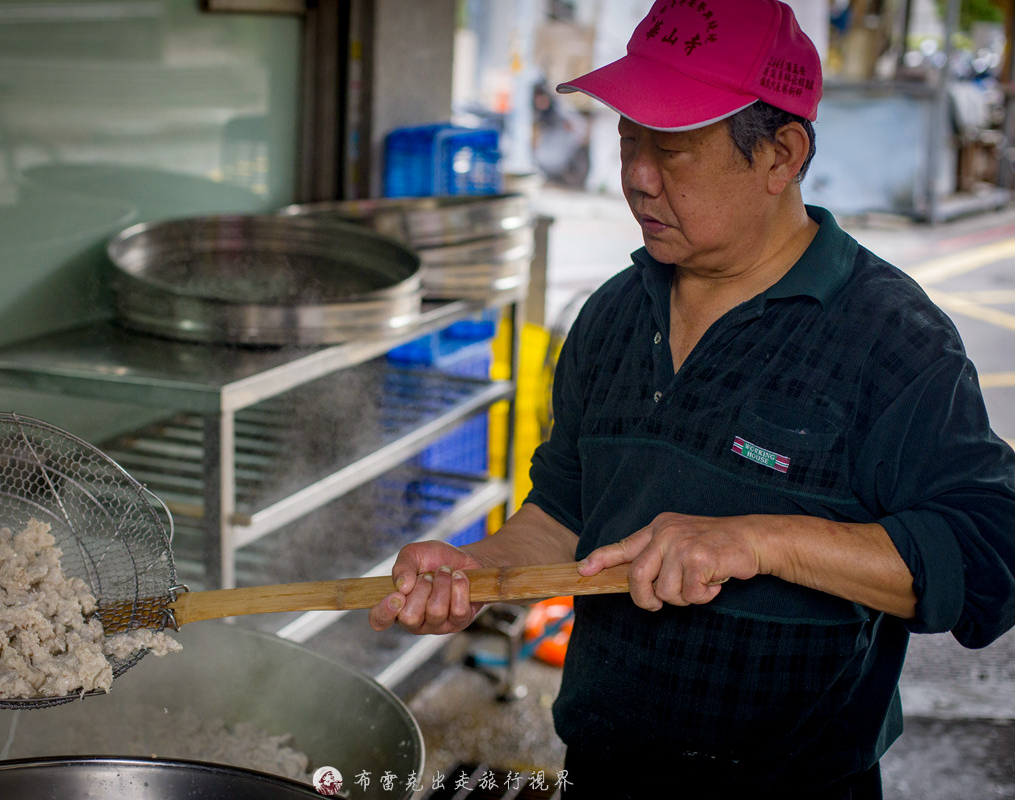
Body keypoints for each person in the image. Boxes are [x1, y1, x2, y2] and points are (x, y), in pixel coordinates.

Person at [369, 1, 1015, 797]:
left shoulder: (889, 336)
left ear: (781, 154)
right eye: (627, 138)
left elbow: (991, 553)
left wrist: (761, 541)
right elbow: (565, 515)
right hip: (605, 772)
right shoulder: (611, 315)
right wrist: (476, 570)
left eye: (672, 148)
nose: (637, 176)